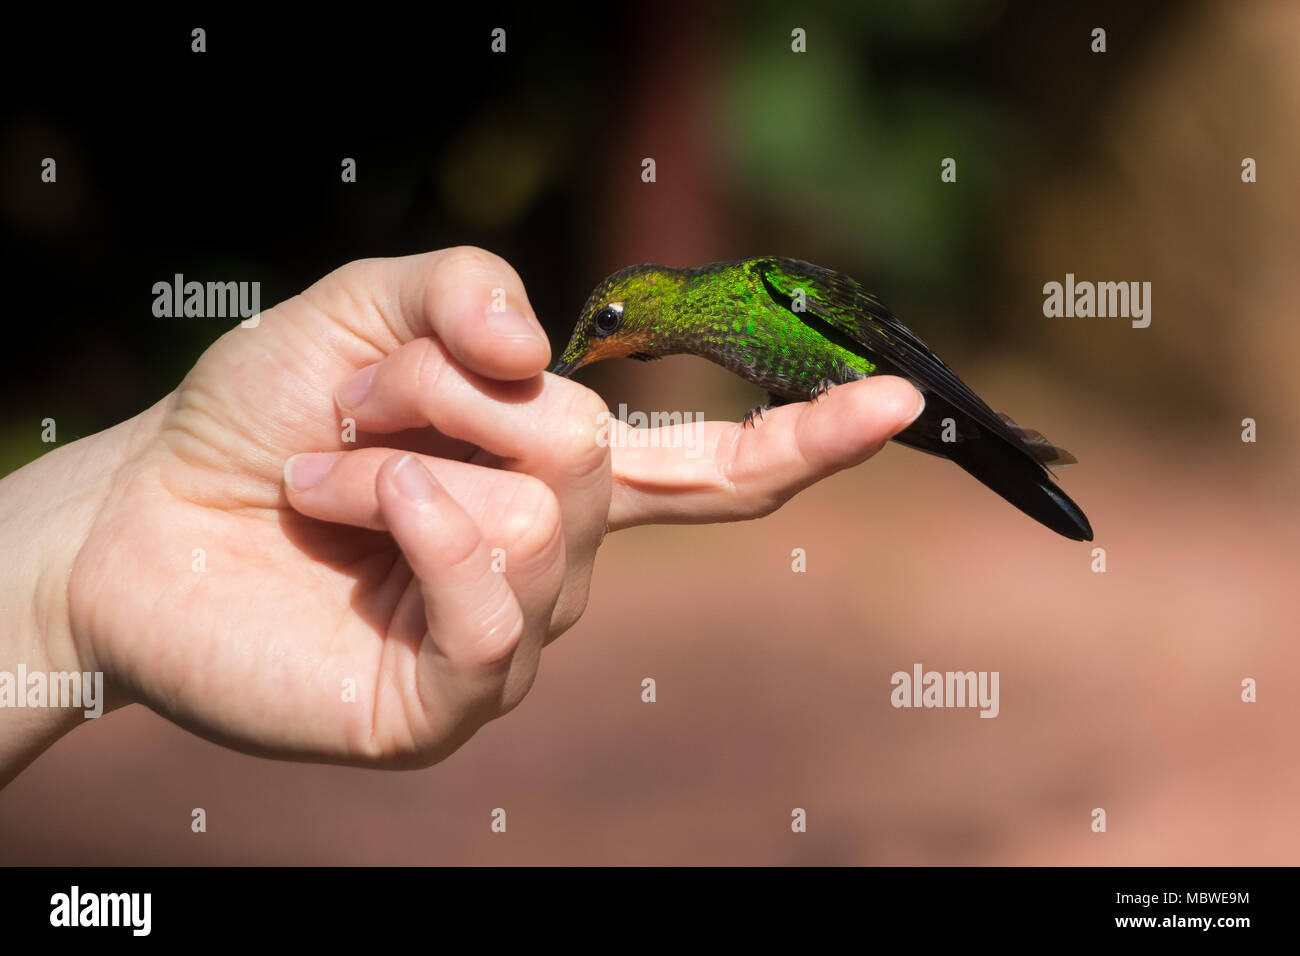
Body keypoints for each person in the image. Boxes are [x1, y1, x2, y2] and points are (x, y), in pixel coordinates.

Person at [0, 248, 923, 786]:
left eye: (601, 334)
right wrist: (87, 574)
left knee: (933, 414)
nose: (590, 355)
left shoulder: (748, 286)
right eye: (600, 338)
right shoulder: (678, 327)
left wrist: (80, 568)